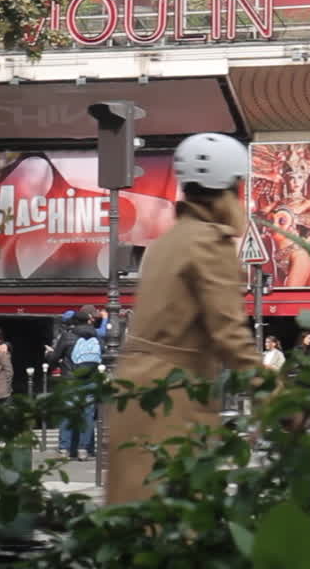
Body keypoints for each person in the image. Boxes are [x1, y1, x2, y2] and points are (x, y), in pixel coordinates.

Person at [105, 132, 268, 505]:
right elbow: (231, 336)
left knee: (132, 516)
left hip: (135, 391)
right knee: (175, 524)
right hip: (172, 399)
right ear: (232, 190)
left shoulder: (167, 242)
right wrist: (275, 397)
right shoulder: (209, 243)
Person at [54, 310, 102, 461]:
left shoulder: (68, 336)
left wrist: (50, 356)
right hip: (90, 380)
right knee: (87, 416)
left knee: (68, 414)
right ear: (89, 321)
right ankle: (83, 449)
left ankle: (64, 449)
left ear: (74, 321)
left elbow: (55, 357)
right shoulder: (97, 337)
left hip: (70, 380)